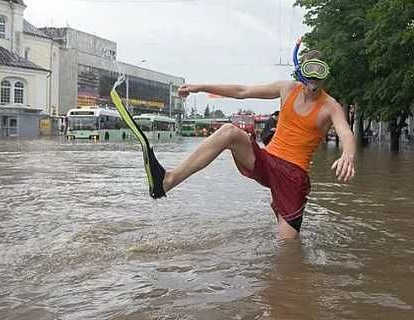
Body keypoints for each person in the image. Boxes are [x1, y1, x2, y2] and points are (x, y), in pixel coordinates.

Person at [143, 47, 356, 239]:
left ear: (325, 75)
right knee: (229, 132)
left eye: (320, 76)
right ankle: (167, 181)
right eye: (310, 73)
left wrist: (347, 154)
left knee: (289, 250)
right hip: (267, 161)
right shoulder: (287, 89)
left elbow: (346, 132)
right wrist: (199, 87)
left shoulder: (330, 106)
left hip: (293, 177)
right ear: (301, 72)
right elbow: (242, 91)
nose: (314, 82)